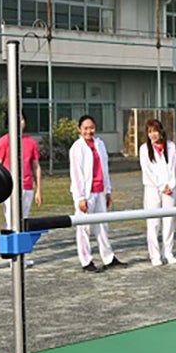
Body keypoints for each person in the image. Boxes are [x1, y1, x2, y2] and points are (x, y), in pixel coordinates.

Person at [68, 114, 122, 271]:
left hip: (100, 191)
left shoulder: (100, 144)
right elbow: (76, 174)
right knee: (84, 228)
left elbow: (105, 170)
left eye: (91, 128)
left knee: (103, 225)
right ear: (79, 129)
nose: (89, 131)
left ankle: (108, 257)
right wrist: (80, 197)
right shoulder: (77, 148)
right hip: (86, 193)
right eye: (85, 128)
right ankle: (86, 261)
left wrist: (108, 191)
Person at [0, 115, 43, 266]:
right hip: (10, 188)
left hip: (27, 186)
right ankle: (12, 256)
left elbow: (36, 166)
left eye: (21, 119)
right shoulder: (3, 142)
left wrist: (39, 189)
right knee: (11, 221)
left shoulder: (31, 142)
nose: (19, 122)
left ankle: (22, 255)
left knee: (24, 221)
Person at [139, 118, 176, 266]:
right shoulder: (144, 149)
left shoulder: (170, 146)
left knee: (169, 221)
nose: (153, 135)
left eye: (155, 131)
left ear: (161, 131)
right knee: (153, 222)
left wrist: (170, 185)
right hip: (152, 188)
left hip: (170, 189)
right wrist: (161, 185)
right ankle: (155, 255)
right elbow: (148, 170)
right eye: (150, 132)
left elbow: (174, 168)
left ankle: (168, 252)